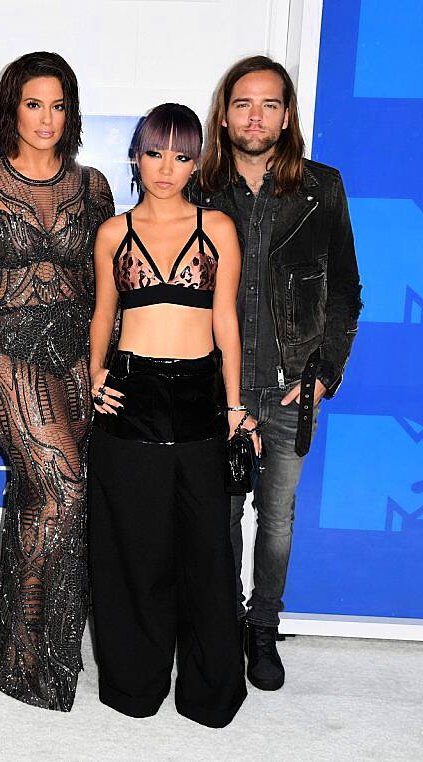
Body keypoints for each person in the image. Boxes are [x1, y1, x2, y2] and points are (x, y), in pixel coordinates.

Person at [0, 51, 115, 711]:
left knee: (41, 498)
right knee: (62, 487)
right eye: (33, 103)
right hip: (3, 347)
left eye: (58, 104)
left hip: (77, 351)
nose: (46, 118)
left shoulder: (94, 186)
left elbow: (108, 284)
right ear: (11, 108)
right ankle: (23, 652)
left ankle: (25, 635)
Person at [194, 56, 362, 691]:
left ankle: (262, 631)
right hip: (221, 390)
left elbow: (346, 291)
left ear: (287, 115)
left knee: (277, 520)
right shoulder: (197, 190)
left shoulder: (323, 188)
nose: (255, 115)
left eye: (269, 104)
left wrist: (323, 374)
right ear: (225, 113)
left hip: (294, 386)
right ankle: (219, 626)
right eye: (243, 103)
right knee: (221, 514)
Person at [88, 103, 255, 728]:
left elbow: (227, 321)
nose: (167, 168)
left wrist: (235, 406)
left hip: (199, 395)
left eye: (182, 155)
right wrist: (97, 373)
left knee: (207, 550)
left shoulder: (218, 228)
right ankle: (135, 685)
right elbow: (105, 314)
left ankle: (211, 692)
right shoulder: (113, 231)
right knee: (133, 545)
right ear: (136, 155)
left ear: (197, 160)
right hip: (131, 392)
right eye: (155, 153)